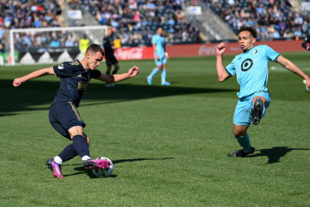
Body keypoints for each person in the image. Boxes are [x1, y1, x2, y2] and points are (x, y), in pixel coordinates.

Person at [13, 44, 140, 178]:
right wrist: (22, 79)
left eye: (100, 61)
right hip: (62, 105)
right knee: (78, 130)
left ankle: (56, 161)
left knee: (84, 141)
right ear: (88, 56)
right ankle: (87, 160)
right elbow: (46, 70)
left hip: (60, 111)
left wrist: (128, 75)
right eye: (96, 60)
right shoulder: (71, 67)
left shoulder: (89, 71)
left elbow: (109, 78)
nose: (98, 64)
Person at [215, 26, 310, 157]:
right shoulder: (236, 59)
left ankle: (257, 110)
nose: (241, 41)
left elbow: (285, 63)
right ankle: (247, 149)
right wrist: (219, 56)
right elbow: (221, 77)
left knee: (258, 100)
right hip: (242, 99)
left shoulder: (263, 50)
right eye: (239, 39)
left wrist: (306, 77)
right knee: (238, 133)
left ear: (253, 40)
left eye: (245, 38)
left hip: (260, 92)